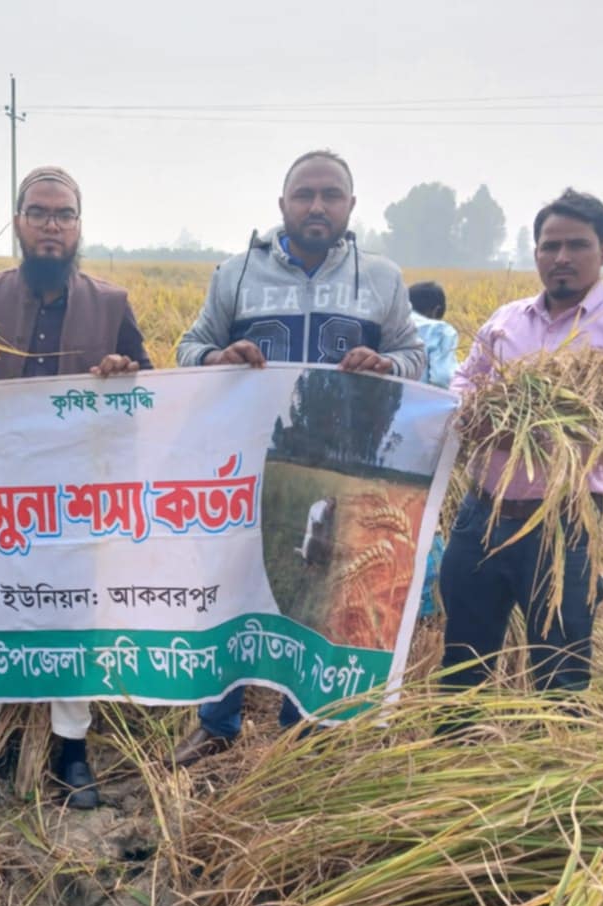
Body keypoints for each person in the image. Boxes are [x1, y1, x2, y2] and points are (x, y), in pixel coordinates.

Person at [173, 148, 425, 765]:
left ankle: (304, 727)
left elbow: (416, 358)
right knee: (229, 588)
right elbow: (189, 347)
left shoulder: (382, 279)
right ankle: (217, 721)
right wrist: (215, 357)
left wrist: (388, 364)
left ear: (351, 206)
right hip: (244, 459)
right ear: (282, 204)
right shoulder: (236, 274)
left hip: (341, 459)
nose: (317, 206)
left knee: (325, 592)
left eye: (330, 195)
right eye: (304, 195)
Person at [0, 165, 153, 809]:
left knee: (74, 609)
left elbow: (150, 391)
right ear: (18, 222)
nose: (51, 225)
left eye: (63, 214)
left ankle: (71, 744)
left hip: (74, 494)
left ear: (79, 225)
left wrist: (123, 372)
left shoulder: (110, 304)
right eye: (39, 213)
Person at [438, 189, 603, 700]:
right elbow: (463, 384)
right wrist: (473, 415)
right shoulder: (506, 320)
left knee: (559, 674)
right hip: (480, 514)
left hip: (564, 523)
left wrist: (534, 434)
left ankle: (556, 749)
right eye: (550, 246)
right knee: (461, 662)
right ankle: (454, 743)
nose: (561, 257)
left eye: (577, 245)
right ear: (536, 252)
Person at [407, 281, 459, 617]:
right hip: (424, 436)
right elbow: (445, 382)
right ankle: (425, 606)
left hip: (382, 431)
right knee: (428, 517)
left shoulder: (386, 327)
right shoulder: (439, 331)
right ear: (437, 310)